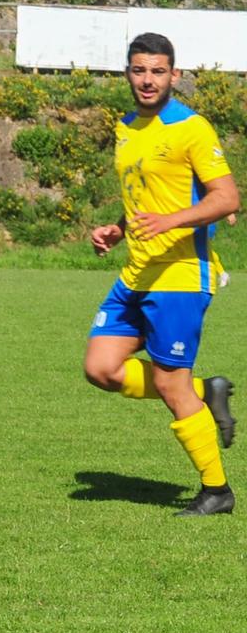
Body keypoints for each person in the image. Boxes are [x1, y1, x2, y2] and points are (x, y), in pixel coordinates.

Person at [83, 31, 242, 516]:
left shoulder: (192, 127)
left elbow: (226, 198)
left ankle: (217, 491)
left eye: (157, 71)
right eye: (138, 70)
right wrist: (119, 227)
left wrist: (171, 222)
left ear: (174, 75)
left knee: (170, 385)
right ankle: (204, 393)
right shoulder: (127, 127)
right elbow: (148, 200)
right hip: (137, 271)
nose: (147, 80)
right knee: (101, 368)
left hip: (179, 274)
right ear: (127, 74)